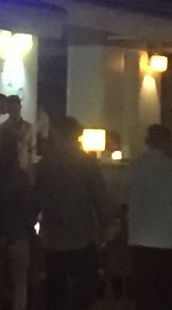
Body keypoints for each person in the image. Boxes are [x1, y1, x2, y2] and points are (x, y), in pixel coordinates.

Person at [33, 115, 109, 310]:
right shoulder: (87, 164)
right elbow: (100, 198)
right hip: (82, 235)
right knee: (83, 290)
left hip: (54, 237)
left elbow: (35, 200)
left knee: (56, 290)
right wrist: (103, 228)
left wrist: (34, 231)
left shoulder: (45, 165)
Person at [126, 123, 172, 310]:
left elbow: (124, 200)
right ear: (167, 141)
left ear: (147, 140)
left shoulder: (134, 166)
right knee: (164, 282)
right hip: (166, 234)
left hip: (139, 233)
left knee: (143, 284)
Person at [0, 130, 35, 310]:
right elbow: (27, 208)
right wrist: (31, 232)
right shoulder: (20, 176)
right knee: (20, 287)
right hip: (18, 236)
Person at [0, 94, 34, 169]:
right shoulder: (2, 128)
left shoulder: (29, 127)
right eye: (12, 109)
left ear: (20, 107)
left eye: (17, 109)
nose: (15, 112)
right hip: (7, 167)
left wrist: (30, 167)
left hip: (24, 167)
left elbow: (32, 150)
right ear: (8, 110)